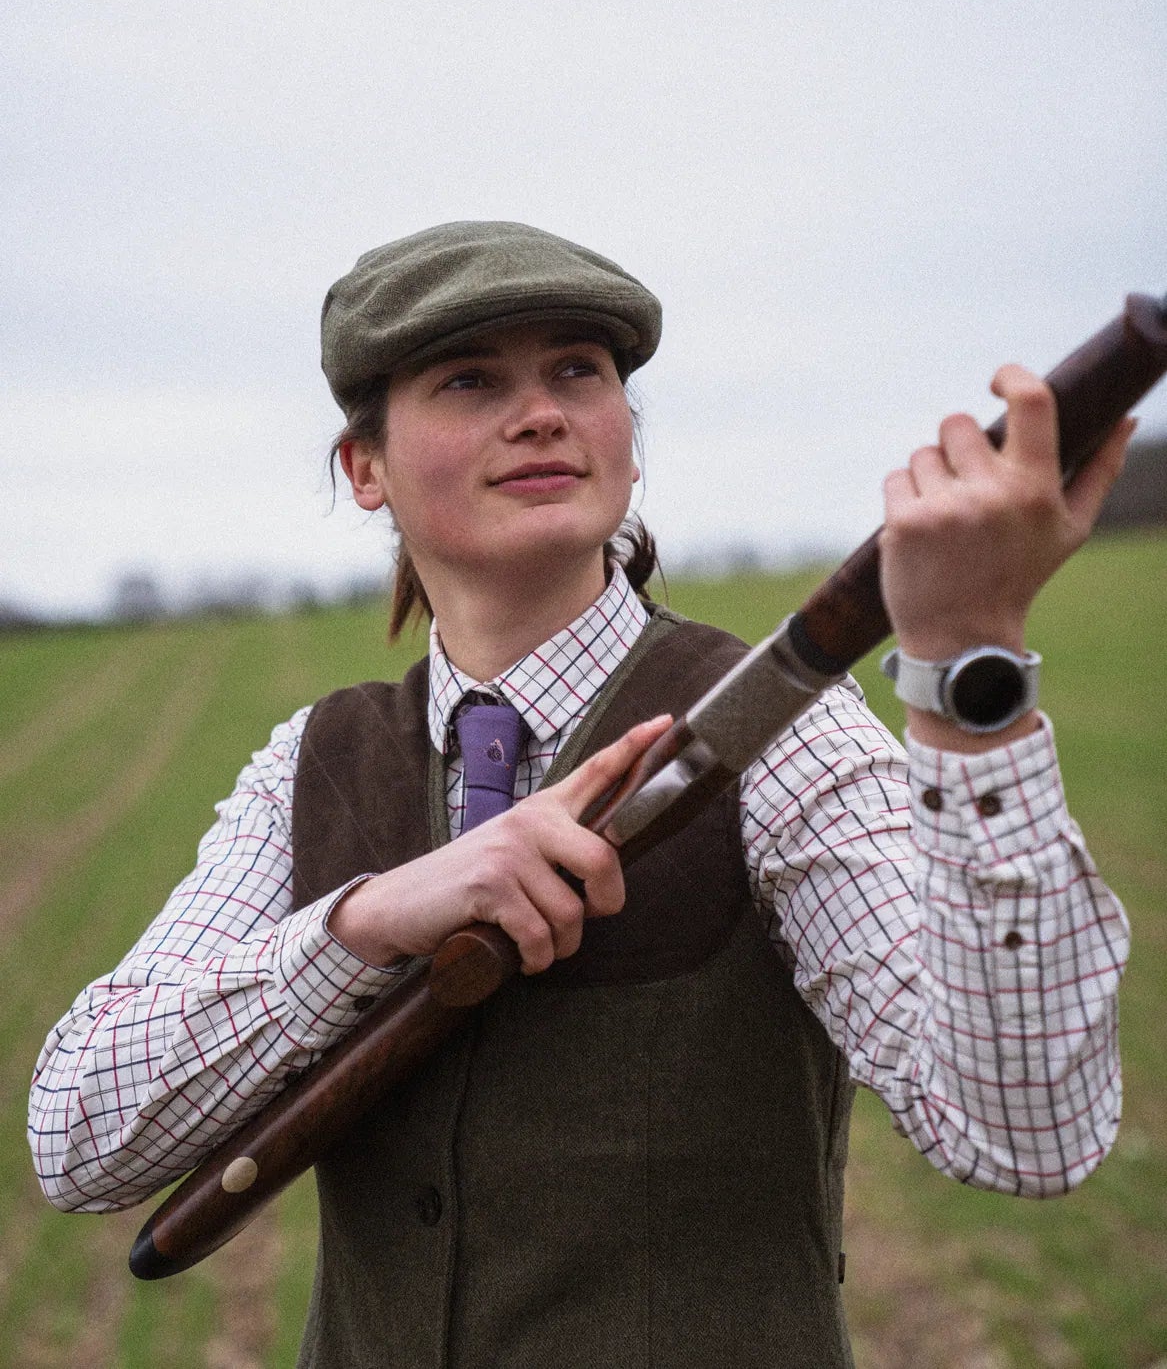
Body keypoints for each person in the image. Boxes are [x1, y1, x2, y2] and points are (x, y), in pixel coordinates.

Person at [30, 222, 1133, 1368]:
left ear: (627, 435)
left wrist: (969, 673)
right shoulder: (307, 764)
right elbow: (77, 1139)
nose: (543, 412)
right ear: (364, 467)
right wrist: (365, 924)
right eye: (470, 379)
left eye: (578, 370)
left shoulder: (784, 736)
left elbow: (1024, 1135)